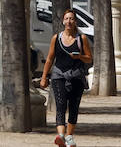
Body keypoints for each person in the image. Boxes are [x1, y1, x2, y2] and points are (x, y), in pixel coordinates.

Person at [39, 8, 93, 147]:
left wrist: (79, 56)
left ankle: (69, 136)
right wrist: (44, 77)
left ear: (75, 22)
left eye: (72, 19)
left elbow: (89, 59)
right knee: (61, 106)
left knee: (74, 107)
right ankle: (61, 136)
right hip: (59, 76)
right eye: (67, 19)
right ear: (63, 21)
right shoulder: (56, 38)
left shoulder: (82, 39)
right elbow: (50, 59)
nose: (69, 21)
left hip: (76, 77)